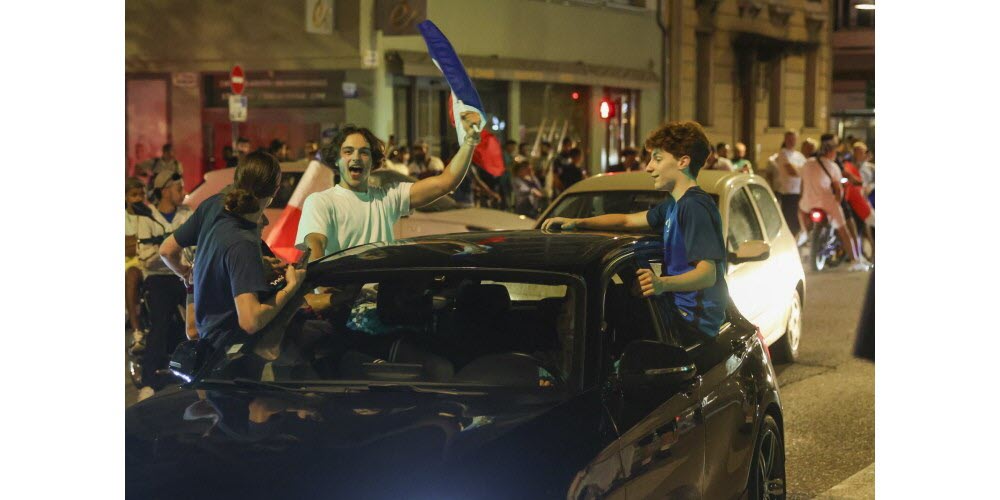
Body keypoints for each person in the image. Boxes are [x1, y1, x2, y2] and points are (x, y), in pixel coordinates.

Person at [542, 121, 729, 339]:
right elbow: (626, 221)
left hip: (691, 321)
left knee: (599, 312)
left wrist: (661, 284)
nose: (649, 167)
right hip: (677, 309)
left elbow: (708, 274)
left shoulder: (694, 207)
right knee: (606, 298)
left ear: (683, 162)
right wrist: (578, 222)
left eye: (657, 159)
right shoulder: (674, 205)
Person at [176, 151, 306, 364]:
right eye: (262, 222)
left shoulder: (214, 216)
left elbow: (167, 250)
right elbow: (250, 321)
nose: (264, 225)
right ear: (275, 190)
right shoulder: (242, 242)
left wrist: (188, 276)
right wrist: (290, 287)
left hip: (221, 357)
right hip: (230, 360)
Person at [297, 114, 482, 262]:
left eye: (364, 152)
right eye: (348, 151)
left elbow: (445, 182)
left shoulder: (387, 197)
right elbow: (315, 249)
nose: (356, 157)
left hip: (383, 300)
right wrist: (326, 294)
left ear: (373, 162)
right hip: (341, 301)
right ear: (336, 160)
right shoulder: (320, 201)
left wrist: (469, 142)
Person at [134, 170, 194, 397]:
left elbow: (193, 248)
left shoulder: (187, 214)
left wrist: (171, 250)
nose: (184, 192)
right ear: (166, 190)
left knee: (201, 318)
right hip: (158, 278)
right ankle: (148, 381)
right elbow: (147, 256)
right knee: (159, 324)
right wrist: (170, 251)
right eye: (179, 188)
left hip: (184, 275)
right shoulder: (146, 217)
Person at [799, 135, 869, 272]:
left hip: (808, 201)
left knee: (800, 211)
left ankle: (804, 233)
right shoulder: (833, 166)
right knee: (844, 230)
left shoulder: (807, 163)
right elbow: (838, 189)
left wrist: (803, 196)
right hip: (826, 202)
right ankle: (855, 260)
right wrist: (836, 203)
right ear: (831, 152)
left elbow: (802, 184)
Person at [774, 131, 808, 245]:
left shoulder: (799, 155)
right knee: (790, 222)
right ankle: (789, 244)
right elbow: (791, 171)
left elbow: (805, 171)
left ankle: (797, 243)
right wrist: (800, 170)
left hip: (800, 193)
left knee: (799, 222)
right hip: (789, 193)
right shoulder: (783, 153)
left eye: (793, 139)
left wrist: (799, 170)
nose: (791, 141)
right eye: (789, 139)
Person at [125, 177, 147, 349]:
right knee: (131, 276)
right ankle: (137, 330)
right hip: (131, 263)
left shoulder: (151, 215)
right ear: (126, 198)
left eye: (141, 194)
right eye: (134, 195)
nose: (138, 198)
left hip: (151, 261)